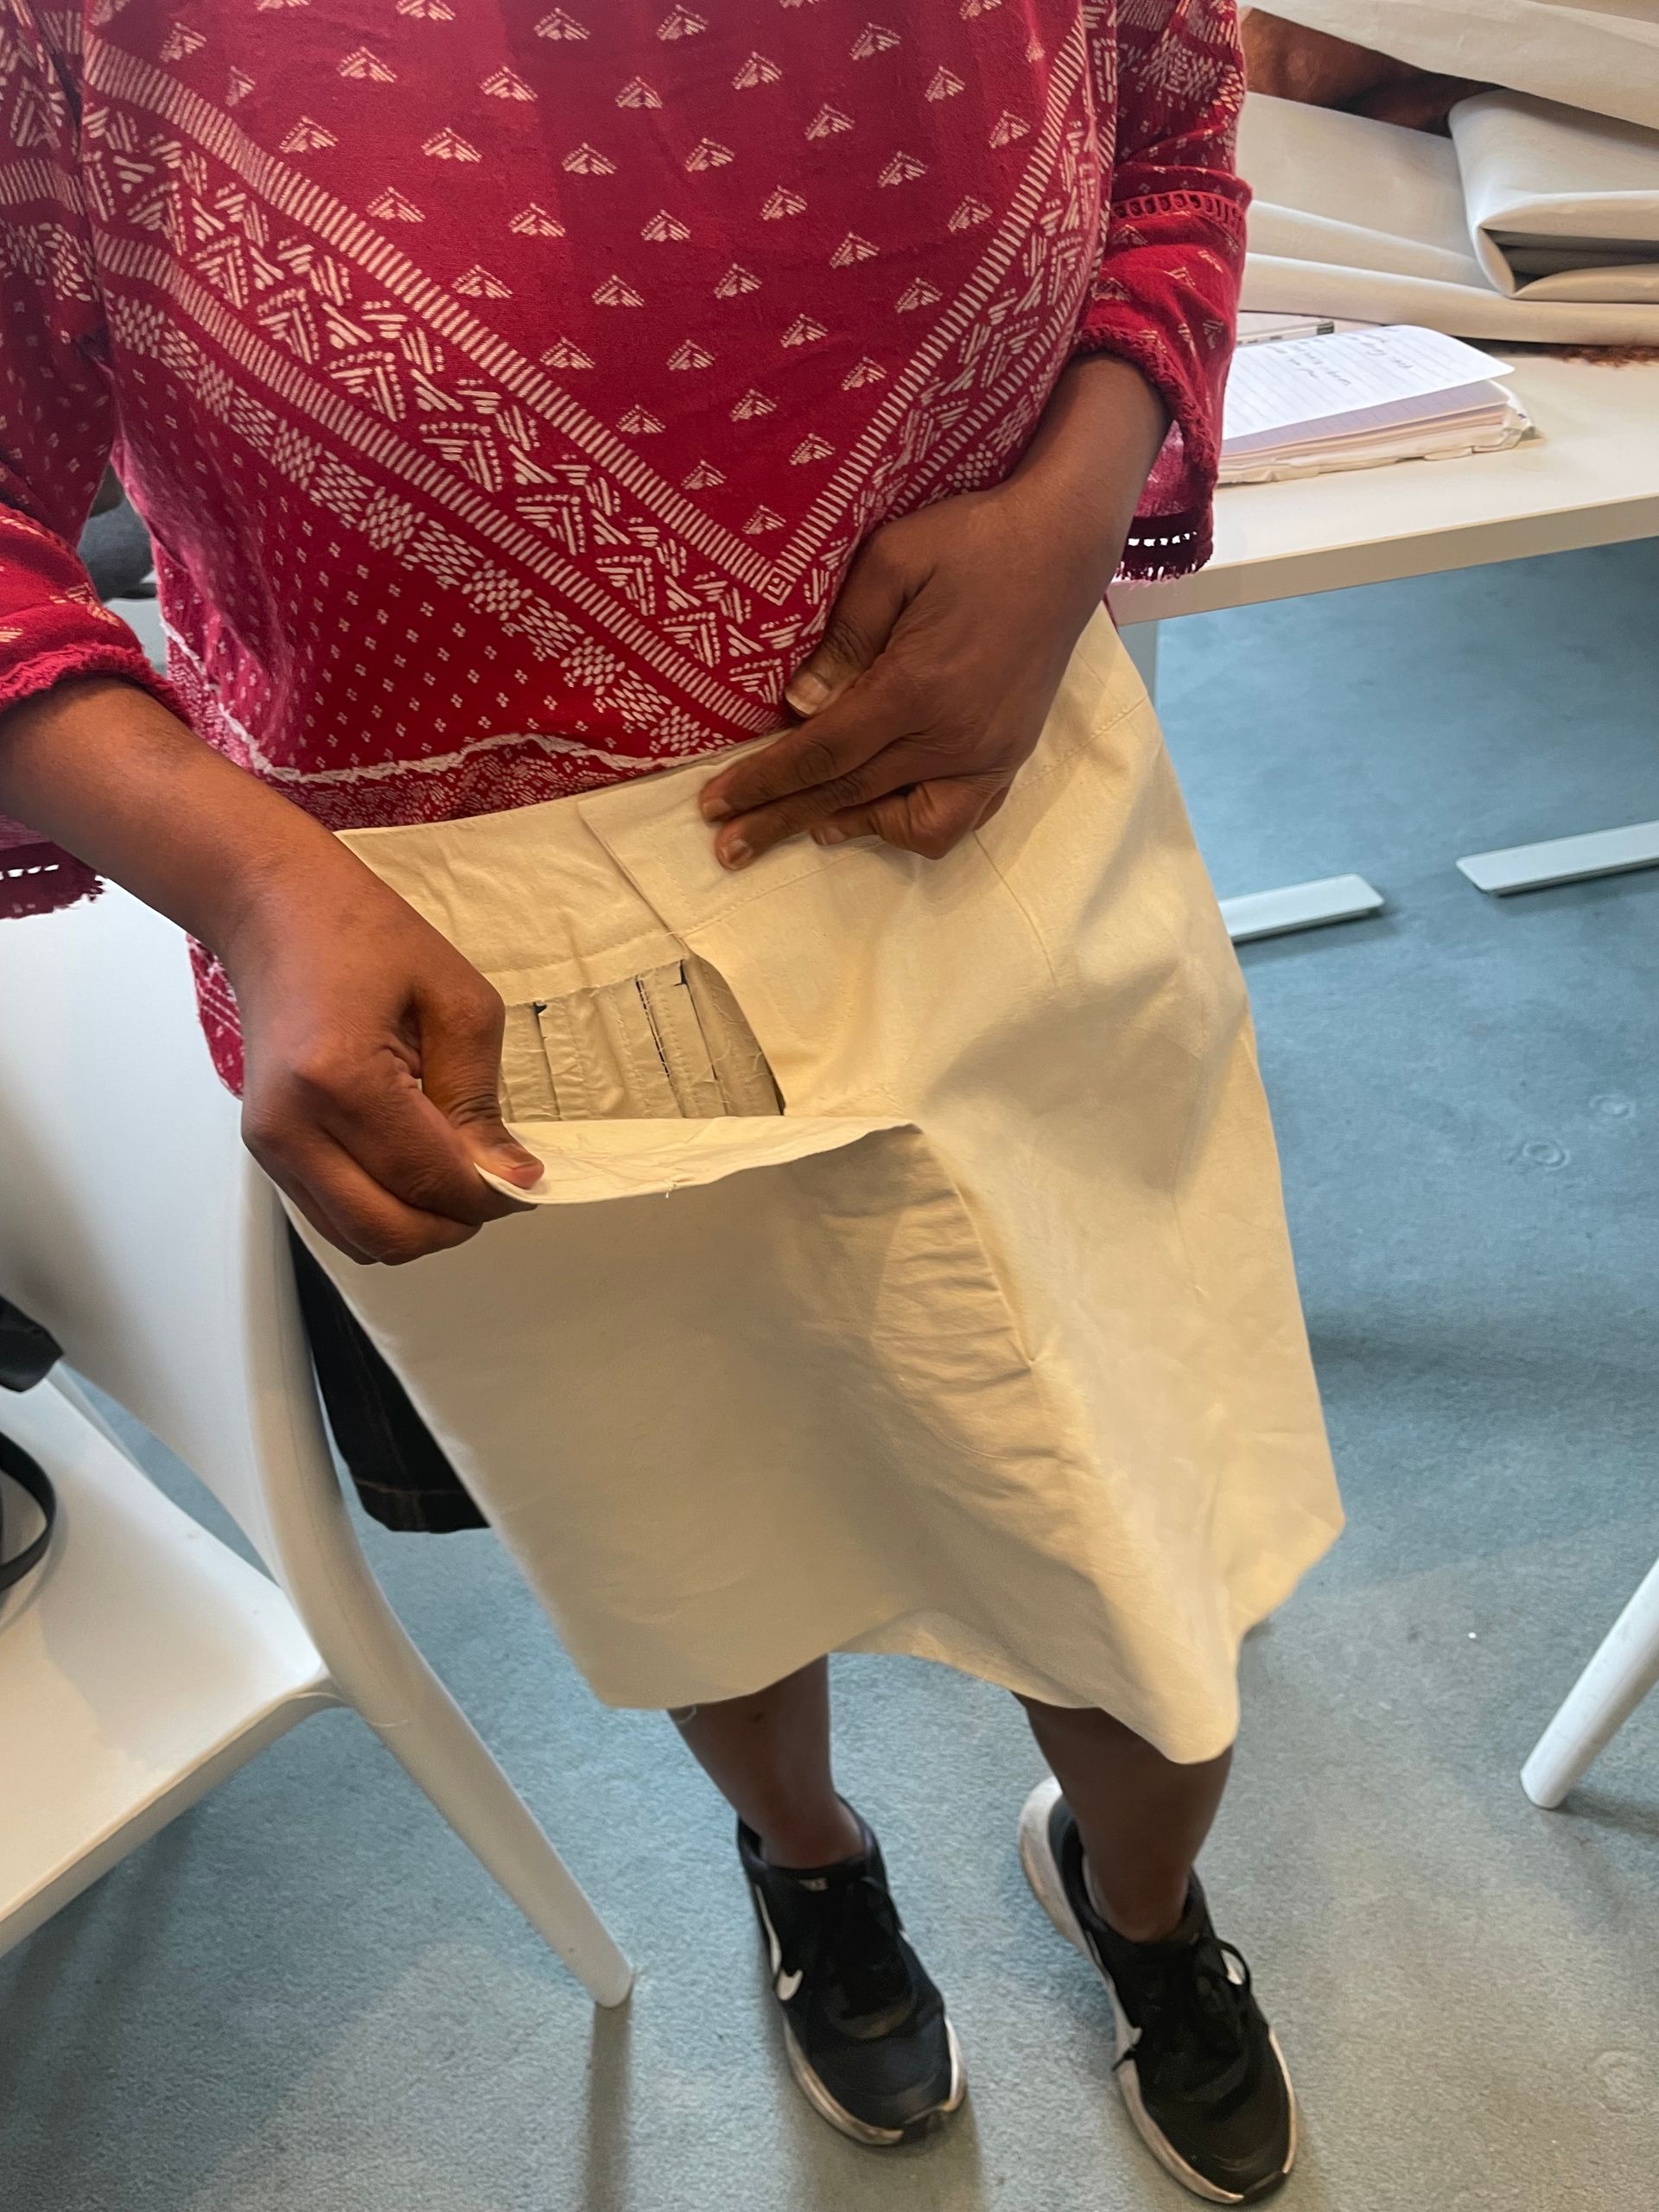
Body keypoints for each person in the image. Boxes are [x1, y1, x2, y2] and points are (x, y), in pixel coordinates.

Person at [0, 4, 1341, 2198]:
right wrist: (242, 881)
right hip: (458, 947)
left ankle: (1145, 1895)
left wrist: (1071, 509)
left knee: (1135, 1519)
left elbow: (1174, 155)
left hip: (999, 848)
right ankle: (807, 1856)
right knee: (699, 1508)